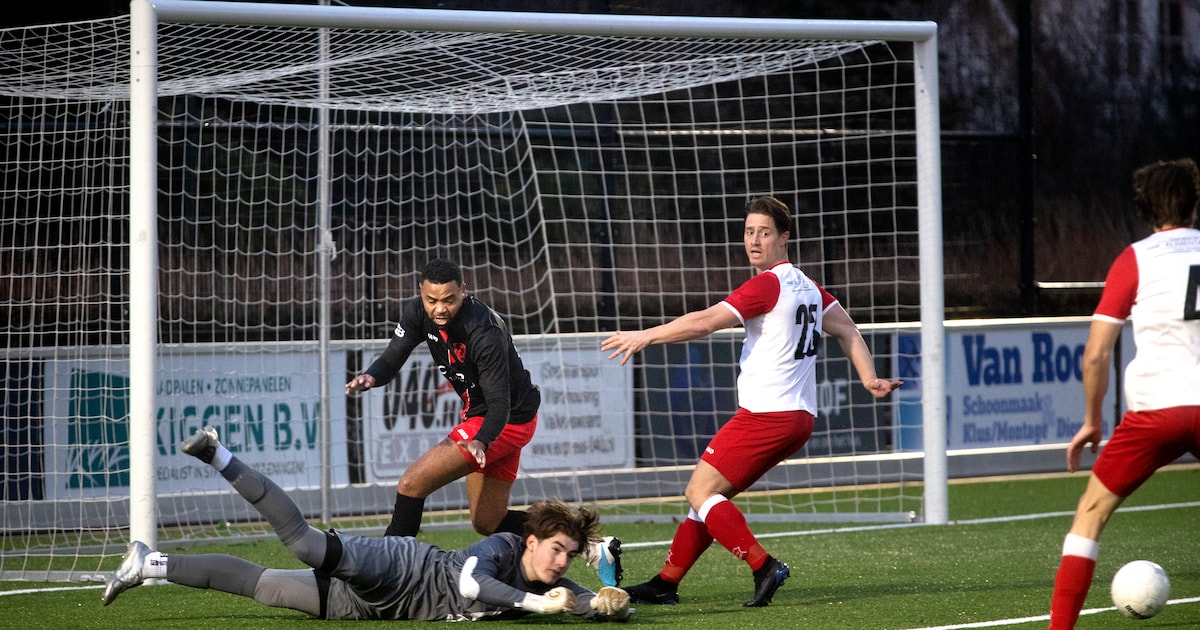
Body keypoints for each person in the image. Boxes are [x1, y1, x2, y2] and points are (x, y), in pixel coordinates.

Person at [600, 195, 902, 608]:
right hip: (797, 418)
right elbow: (848, 329)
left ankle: (763, 566)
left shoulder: (768, 284)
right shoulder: (807, 286)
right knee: (710, 498)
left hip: (766, 415)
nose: (754, 241)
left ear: (784, 237)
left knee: (698, 490)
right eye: (749, 232)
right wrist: (869, 379)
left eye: (764, 233)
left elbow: (705, 322)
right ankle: (666, 582)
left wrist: (644, 336)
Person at [101, 426, 632, 623]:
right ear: (531, 541)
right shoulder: (501, 547)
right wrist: (538, 605)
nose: (561, 562)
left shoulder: (554, 585)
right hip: (401, 569)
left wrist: (614, 602)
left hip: (378, 607)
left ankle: (148, 562)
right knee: (305, 545)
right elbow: (473, 585)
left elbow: (594, 605)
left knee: (263, 587)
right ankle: (218, 455)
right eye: (556, 548)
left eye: (569, 555)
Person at [344, 258, 621, 586]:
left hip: (503, 421)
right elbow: (393, 356)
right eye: (432, 300)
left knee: (411, 484)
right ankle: (592, 546)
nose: (440, 308)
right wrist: (371, 377)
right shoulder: (418, 311)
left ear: (464, 290)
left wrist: (481, 440)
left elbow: (500, 404)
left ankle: (387, 574)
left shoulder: (482, 330)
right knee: (488, 521)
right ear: (421, 292)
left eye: (449, 299)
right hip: (488, 419)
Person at [1048, 158, 1200, 629]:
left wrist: (1092, 419)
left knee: (1090, 515)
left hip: (1155, 414)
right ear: (1194, 205)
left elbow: (1096, 354)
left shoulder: (1135, 259)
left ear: (1145, 208)